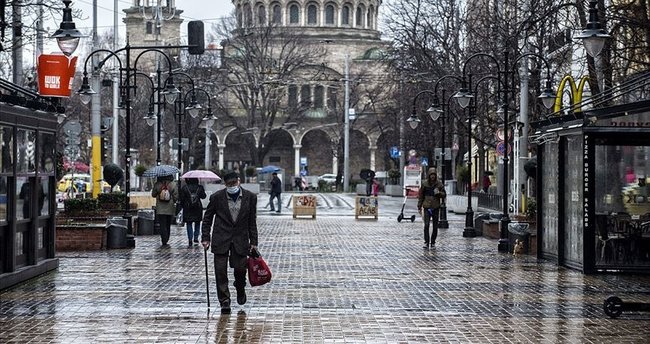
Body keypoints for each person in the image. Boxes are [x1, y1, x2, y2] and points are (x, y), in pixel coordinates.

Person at [202, 171, 258, 314]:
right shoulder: (217, 198)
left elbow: (252, 221)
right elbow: (207, 218)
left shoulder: (250, 197)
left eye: (234, 183)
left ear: (239, 181)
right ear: (225, 184)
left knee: (240, 269)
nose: (232, 186)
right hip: (221, 238)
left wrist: (254, 241)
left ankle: (240, 287)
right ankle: (224, 300)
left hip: (240, 239)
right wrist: (205, 237)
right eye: (229, 184)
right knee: (220, 271)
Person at [417, 168, 446, 249]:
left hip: (435, 207)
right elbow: (421, 196)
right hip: (427, 207)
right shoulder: (424, 184)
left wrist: (439, 193)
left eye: (434, 175)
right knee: (426, 225)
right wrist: (419, 206)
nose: (432, 176)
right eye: (431, 175)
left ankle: (433, 242)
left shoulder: (439, 184)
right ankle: (426, 242)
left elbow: (444, 194)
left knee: (435, 226)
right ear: (429, 175)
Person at [152, 175, 179, 247]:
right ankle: (167, 238)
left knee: (162, 224)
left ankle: (163, 239)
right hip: (170, 207)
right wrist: (173, 200)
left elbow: (153, 194)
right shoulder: (173, 184)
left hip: (160, 208)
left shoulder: (157, 184)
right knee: (168, 224)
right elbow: (176, 196)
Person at [179, 178, 207, 247]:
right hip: (198, 207)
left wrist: (183, 205)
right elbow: (204, 196)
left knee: (189, 223)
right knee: (197, 222)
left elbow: (181, 198)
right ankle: (196, 238)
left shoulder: (185, 188)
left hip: (187, 207)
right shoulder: (200, 187)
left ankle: (190, 239)